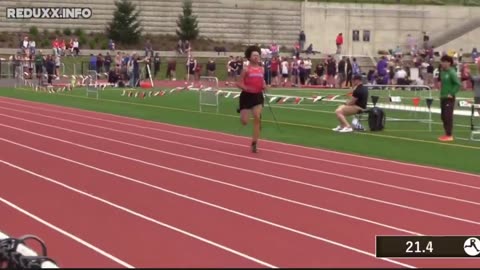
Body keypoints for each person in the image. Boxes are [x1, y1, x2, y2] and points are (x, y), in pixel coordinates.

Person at [236, 45, 266, 153]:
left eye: (258, 55)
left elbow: (262, 81)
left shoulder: (262, 69)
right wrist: (246, 88)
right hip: (246, 96)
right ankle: (241, 110)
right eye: (254, 55)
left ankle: (254, 143)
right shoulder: (245, 69)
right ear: (249, 57)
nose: (256, 57)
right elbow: (238, 83)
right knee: (244, 122)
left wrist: (264, 86)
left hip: (257, 96)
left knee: (257, 118)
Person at [438, 55, 461, 142]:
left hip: (449, 98)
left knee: (448, 116)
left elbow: (458, 84)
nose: (442, 63)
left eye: (444, 61)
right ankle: (446, 134)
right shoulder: (442, 72)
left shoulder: (452, 72)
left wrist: (451, 93)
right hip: (442, 96)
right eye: (441, 61)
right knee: (443, 116)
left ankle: (449, 135)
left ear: (448, 62)